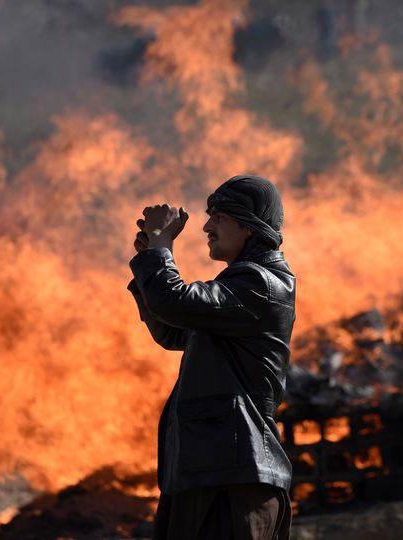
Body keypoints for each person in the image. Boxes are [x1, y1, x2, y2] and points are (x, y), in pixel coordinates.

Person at [127, 175, 296, 539]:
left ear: (248, 227)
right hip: (210, 472)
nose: (206, 226)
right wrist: (150, 257)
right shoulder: (240, 286)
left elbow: (174, 302)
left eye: (218, 217)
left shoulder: (262, 284)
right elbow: (174, 330)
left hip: (232, 479)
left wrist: (161, 249)